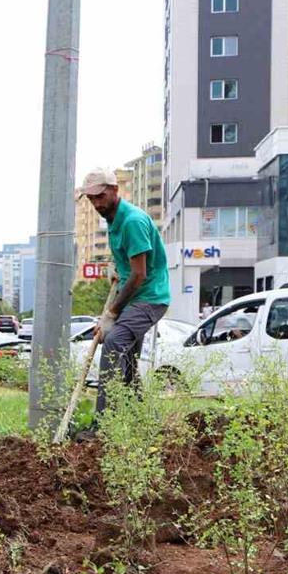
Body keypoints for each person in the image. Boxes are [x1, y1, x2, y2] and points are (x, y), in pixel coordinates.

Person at [79, 168, 171, 416]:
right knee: (127, 363)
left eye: (100, 197)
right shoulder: (113, 220)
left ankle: (102, 425)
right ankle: (146, 422)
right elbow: (129, 265)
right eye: (91, 199)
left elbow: (139, 275)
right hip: (135, 297)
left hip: (150, 298)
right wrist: (117, 268)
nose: (96, 204)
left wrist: (111, 313)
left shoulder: (132, 221)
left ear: (114, 190)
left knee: (113, 343)